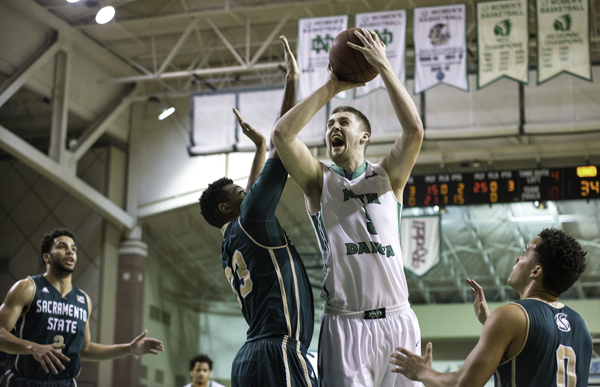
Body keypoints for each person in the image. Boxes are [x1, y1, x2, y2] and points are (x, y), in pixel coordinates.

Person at [272, 28, 424, 387]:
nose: (332, 128)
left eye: (343, 122)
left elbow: (414, 130)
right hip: (345, 323)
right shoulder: (317, 179)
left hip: (398, 320)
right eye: (329, 124)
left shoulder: (389, 176)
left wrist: (384, 66)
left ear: (364, 136)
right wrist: (332, 86)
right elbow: (281, 135)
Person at [198, 36, 316, 387]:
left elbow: (250, 192)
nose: (246, 190)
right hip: (277, 351)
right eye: (238, 191)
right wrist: (292, 81)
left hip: (252, 355)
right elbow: (285, 140)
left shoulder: (229, 240)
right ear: (226, 206)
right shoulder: (249, 220)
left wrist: (259, 146)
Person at [390, 228, 592, 387]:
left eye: (525, 253)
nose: (517, 258)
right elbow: (537, 360)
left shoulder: (510, 316)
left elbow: (462, 384)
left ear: (536, 271)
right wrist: (489, 323)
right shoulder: (579, 325)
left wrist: (422, 371)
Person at [0, 228, 164, 386]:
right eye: (62, 247)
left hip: (65, 383)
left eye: (74, 249)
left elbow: (84, 349)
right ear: (46, 257)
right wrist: (32, 347)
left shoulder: (83, 299)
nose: (70, 252)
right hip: (25, 381)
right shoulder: (27, 288)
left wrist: (128, 349)